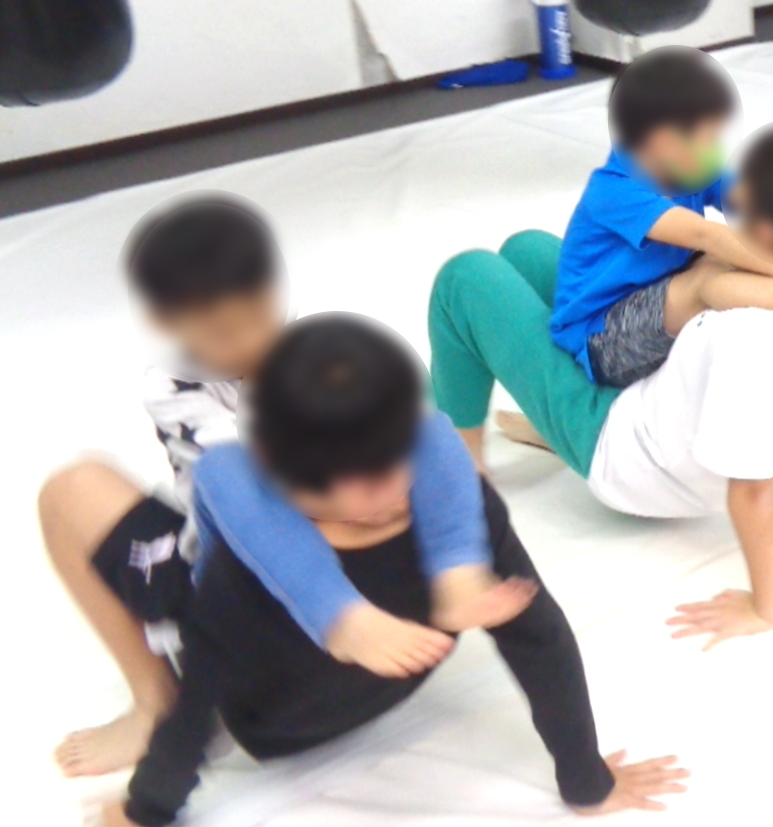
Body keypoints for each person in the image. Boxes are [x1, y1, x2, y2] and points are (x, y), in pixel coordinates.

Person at [92, 314, 689, 827]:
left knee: (77, 492)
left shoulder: (247, 559)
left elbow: (198, 704)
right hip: (392, 683)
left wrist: (144, 810)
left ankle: (144, 696)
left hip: (272, 727)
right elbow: (539, 638)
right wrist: (586, 781)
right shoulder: (455, 506)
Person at [430, 124, 773, 650]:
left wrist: (763, 607)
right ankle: (547, 420)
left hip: (625, 452)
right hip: (667, 387)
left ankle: (461, 470)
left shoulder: (749, 333)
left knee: (466, 278)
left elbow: (751, 489)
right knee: (528, 251)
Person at [40, 195, 506, 780]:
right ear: (166, 324)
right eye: (224, 332)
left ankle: (158, 703)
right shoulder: (179, 387)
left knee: (73, 492)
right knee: (87, 488)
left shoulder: (314, 349)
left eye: (261, 315)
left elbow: (277, 487)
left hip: (301, 593)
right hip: (294, 568)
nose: (252, 340)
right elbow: (253, 483)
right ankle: (158, 698)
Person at [548, 46, 773, 395]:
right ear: (663, 141)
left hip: (665, 298)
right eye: (709, 139)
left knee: (744, 250)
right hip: (603, 337)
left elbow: (760, 204)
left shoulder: (687, 168)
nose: (717, 148)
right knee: (709, 275)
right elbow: (707, 235)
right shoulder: (613, 191)